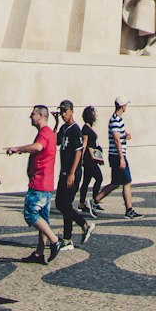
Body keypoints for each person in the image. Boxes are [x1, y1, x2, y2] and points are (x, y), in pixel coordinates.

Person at [5, 105, 61, 263]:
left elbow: (38, 147)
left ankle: (55, 240)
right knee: (43, 218)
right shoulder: (49, 132)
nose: (30, 116)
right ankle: (39, 253)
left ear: (41, 116)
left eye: (33, 114)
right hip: (47, 183)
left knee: (30, 214)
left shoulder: (43, 133)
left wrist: (18, 149)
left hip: (39, 182)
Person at [52, 101, 94, 249]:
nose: (63, 114)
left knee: (65, 204)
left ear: (71, 111)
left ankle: (68, 239)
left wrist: (72, 173)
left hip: (72, 172)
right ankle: (84, 225)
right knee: (59, 203)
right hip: (64, 172)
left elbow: (78, 152)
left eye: (65, 111)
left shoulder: (75, 130)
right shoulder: (64, 128)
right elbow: (54, 141)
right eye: (61, 111)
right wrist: (56, 123)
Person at [95, 96, 142, 218]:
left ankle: (94, 201)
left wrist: (124, 136)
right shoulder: (116, 120)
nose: (126, 107)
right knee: (127, 182)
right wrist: (122, 157)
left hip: (116, 155)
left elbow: (118, 137)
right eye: (126, 105)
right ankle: (129, 210)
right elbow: (116, 139)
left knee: (115, 183)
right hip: (117, 156)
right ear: (122, 106)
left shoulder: (117, 120)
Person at [78, 105, 104, 214]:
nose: (95, 115)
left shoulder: (90, 127)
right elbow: (84, 144)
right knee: (99, 177)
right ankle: (94, 201)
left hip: (92, 158)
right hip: (89, 159)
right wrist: (81, 158)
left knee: (86, 180)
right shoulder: (85, 128)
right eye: (93, 113)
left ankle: (82, 203)